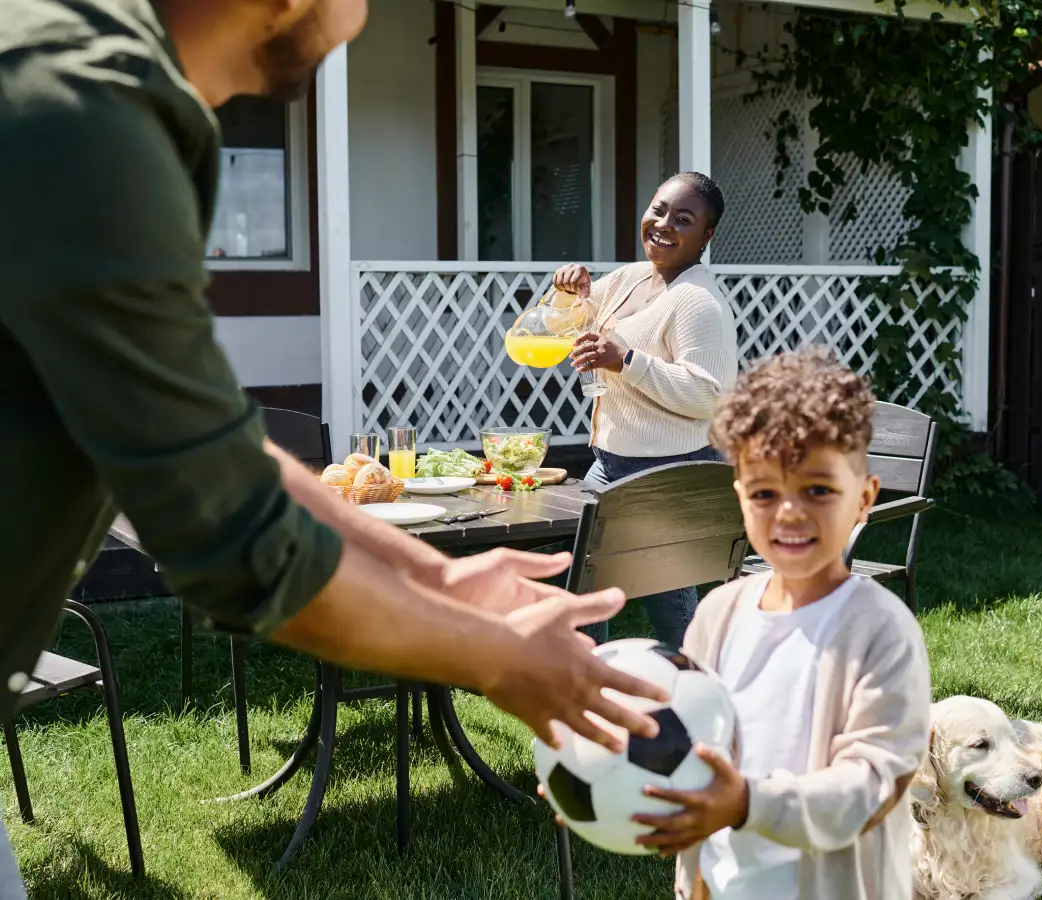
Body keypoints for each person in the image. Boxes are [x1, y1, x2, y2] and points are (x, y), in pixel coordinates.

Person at [0, 1, 665, 895]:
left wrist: (435, 580)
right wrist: (494, 658)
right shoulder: (89, 112)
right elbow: (237, 542)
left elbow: (218, 457)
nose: (361, 18)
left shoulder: (91, 78)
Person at [634, 348, 933, 900]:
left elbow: (872, 785)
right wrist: (605, 778)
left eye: (817, 490)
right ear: (740, 499)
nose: (789, 512)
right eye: (765, 493)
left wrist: (749, 803)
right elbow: (689, 741)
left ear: (865, 497)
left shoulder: (881, 631)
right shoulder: (719, 615)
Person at [551, 172, 739, 649]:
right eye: (658, 210)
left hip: (671, 472)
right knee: (583, 584)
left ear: (707, 235)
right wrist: (569, 292)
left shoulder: (698, 302)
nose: (663, 224)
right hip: (611, 463)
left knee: (669, 604)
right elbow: (567, 323)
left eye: (683, 219)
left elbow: (709, 397)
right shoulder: (633, 278)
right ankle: (593, 691)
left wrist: (626, 361)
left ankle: (702, 703)